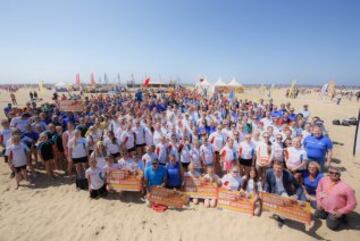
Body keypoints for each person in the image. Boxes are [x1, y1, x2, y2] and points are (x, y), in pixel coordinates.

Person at [315, 166, 357, 230]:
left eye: (336, 173)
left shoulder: (346, 188)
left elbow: (353, 203)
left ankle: (342, 216)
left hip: (335, 210)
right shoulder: (323, 180)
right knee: (317, 215)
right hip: (323, 206)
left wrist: (341, 212)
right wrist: (318, 202)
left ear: (340, 175)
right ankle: (328, 215)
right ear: (328, 173)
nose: (334, 174)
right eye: (331, 172)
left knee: (331, 226)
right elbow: (318, 191)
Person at [264, 161, 303, 227]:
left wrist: (296, 195)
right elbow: (267, 183)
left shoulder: (288, 175)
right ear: (273, 167)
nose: (277, 170)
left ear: (283, 168)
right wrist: (266, 191)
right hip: (274, 192)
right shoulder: (268, 172)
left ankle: (281, 219)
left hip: (284, 192)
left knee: (284, 205)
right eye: (275, 167)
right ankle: (278, 214)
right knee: (273, 205)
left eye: (279, 168)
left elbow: (299, 186)